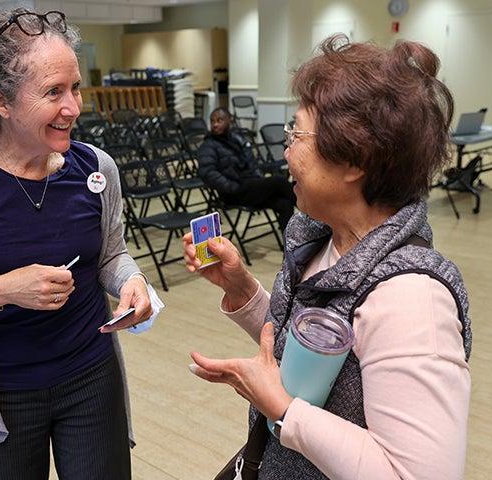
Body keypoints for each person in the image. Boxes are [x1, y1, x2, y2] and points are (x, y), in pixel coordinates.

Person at [183, 36, 472, 480]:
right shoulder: (323, 238)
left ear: (355, 156)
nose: (286, 150)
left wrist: (281, 407)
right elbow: (304, 345)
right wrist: (242, 290)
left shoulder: (415, 302)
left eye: (296, 133)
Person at [0, 9, 163, 480]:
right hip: (3, 396)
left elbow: (111, 254)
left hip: (91, 377)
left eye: (75, 87)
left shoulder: (95, 168)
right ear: (1, 102)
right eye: (53, 92)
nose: (74, 107)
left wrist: (133, 280)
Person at [197, 107, 296, 230]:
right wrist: (231, 187)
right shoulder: (208, 145)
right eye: (212, 121)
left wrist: (257, 175)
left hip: (249, 185)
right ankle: (310, 211)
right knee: (279, 181)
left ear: (230, 120)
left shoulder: (236, 139)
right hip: (233, 192)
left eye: (220, 120)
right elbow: (207, 173)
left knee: (284, 204)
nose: (215, 124)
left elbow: (251, 162)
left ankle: (290, 245)